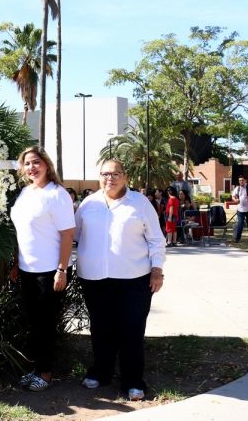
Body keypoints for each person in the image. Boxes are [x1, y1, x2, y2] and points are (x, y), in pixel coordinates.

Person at [75, 159, 165, 401]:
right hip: (94, 278)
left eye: (116, 174)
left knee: (132, 330)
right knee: (101, 328)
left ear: (125, 176)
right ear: (99, 177)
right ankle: (100, 372)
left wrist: (157, 270)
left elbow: (156, 239)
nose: (110, 179)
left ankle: (133, 381)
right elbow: (75, 235)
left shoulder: (140, 203)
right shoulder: (88, 204)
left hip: (134, 279)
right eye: (105, 174)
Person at [9, 146, 75, 392]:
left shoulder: (57, 194)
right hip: (27, 269)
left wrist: (62, 270)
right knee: (33, 324)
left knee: (46, 325)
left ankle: (46, 373)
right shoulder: (25, 193)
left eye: (36, 162)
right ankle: (36, 369)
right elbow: (22, 232)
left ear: (47, 164)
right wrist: (16, 263)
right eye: (27, 163)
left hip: (50, 272)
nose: (31, 167)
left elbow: (68, 235)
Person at [232, 176, 248, 244]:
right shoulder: (237, 188)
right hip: (240, 210)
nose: (241, 182)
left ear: (245, 180)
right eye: (240, 180)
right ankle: (237, 239)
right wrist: (235, 200)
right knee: (240, 224)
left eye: (242, 180)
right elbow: (233, 196)